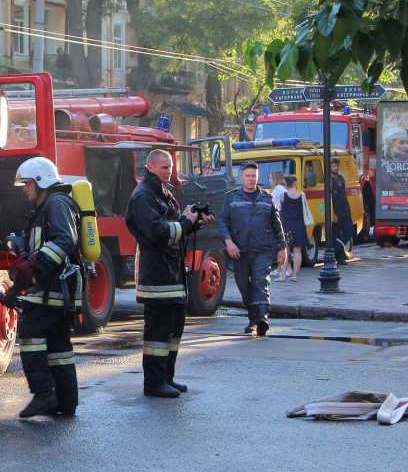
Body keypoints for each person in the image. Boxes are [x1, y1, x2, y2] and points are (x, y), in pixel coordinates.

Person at [125, 149, 213, 398]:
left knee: (174, 331)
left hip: (172, 272)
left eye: (171, 166)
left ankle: (167, 378)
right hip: (157, 275)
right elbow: (159, 232)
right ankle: (153, 384)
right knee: (158, 333)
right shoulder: (143, 196)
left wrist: (194, 220)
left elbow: (174, 225)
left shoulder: (164, 193)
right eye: (164, 167)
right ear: (150, 167)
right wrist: (187, 223)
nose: (169, 171)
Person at [9, 157, 80, 418]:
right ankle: (66, 400)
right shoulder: (45, 207)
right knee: (59, 346)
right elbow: (46, 241)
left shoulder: (56, 202)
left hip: (52, 287)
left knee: (31, 334)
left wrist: (34, 262)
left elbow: (65, 239)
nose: (24, 189)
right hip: (54, 287)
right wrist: (21, 244)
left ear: (40, 182)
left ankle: (43, 394)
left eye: (27, 184)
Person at [220, 161, 286, 336]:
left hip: (262, 249)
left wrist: (282, 247)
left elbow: (276, 224)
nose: (251, 179)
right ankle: (252, 318)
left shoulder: (267, 198)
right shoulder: (231, 198)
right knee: (243, 284)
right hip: (239, 251)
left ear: (258, 177)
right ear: (241, 177)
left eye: (254, 176)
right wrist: (229, 242)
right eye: (247, 176)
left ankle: (262, 318)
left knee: (260, 282)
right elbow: (223, 222)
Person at [278, 175, 310, 282]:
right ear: (295, 183)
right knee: (297, 251)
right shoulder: (301, 195)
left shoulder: (283, 195)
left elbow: (281, 208)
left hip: (286, 224)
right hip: (299, 223)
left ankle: (282, 275)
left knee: (285, 250)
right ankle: (295, 275)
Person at [330, 157, 355, 265]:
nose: (336, 168)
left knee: (349, 230)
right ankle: (339, 257)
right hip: (336, 210)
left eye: (337, 165)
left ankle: (334, 249)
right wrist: (333, 213)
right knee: (336, 233)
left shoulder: (340, 178)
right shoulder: (328, 180)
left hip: (345, 209)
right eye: (333, 166)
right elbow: (329, 197)